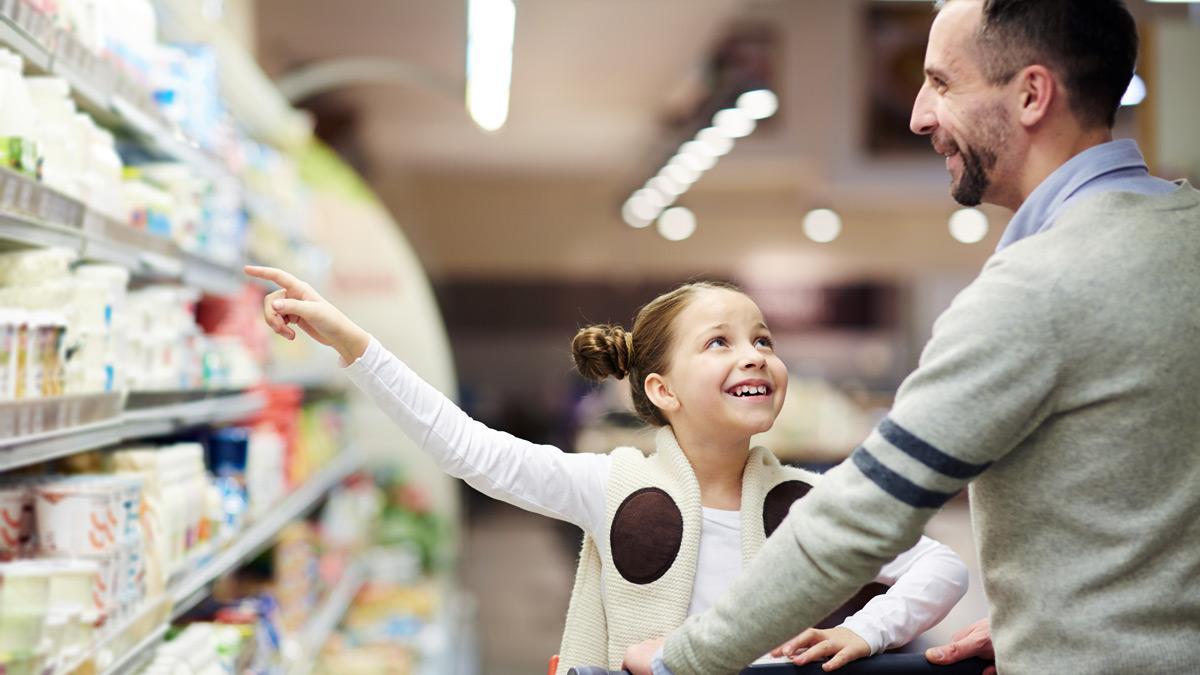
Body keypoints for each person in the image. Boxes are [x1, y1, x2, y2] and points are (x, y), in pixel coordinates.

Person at [624, 1, 1200, 674]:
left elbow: (860, 519)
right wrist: (1049, 620)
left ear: (1032, 94)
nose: (919, 114)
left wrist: (683, 658)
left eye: (944, 83)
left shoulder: (1033, 290)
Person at [244, 267, 969, 673]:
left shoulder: (810, 501)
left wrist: (867, 630)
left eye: (763, 338)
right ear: (662, 389)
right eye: (719, 342)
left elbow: (942, 565)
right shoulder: (612, 485)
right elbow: (468, 449)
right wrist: (353, 342)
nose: (754, 354)